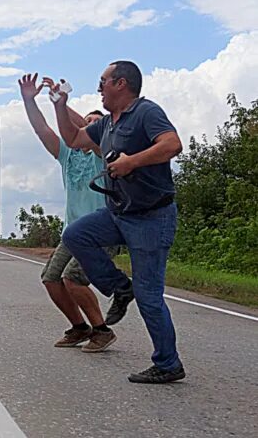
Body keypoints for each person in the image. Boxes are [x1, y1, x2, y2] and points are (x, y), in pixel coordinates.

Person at [52, 60, 185, 384]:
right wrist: (60, 105)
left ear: (121, 84)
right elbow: (72, 139)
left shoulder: (146, 112)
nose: (99, 88)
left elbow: (172, 144)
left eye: (103, 82)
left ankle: (168, 364)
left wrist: (131, 162)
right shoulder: (108, 124)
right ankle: (119, 289)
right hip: (118, 213)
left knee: (150, 296)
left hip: (152, 217)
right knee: (76, 234)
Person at [18, 72, 117, 353]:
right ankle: (79, 327)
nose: (89, 126)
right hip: (72, 232)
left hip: (101, 232)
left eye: (95, 124)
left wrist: (61, 102)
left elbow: (94, 133)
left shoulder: (105, 153)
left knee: (72, 278)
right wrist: (30, 102)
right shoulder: (69, 155)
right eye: (87, 122)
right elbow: (42, 130)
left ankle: (101, 330)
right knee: (51, 278)